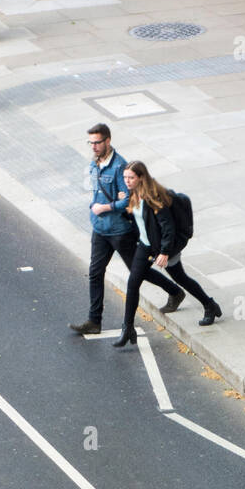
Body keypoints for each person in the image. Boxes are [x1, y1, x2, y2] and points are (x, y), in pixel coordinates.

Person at [69, 126, 182, 337]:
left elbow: (128, 199)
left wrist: (106, 207)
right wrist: (94, 209)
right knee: (95, 272)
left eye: (97, 142)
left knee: (139, 271)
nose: (94, 146)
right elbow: (95, 193)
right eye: (91, 143)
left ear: (108, 141)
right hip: (100, 229)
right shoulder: (94, 164)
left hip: (120, 230)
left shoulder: (120, 166)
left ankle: (175, 291)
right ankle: (94, 321)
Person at [113, 161, 221, 348]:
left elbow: (168, 227)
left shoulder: (154, 197)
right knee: (133, 283)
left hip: (162, 246)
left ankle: (209, 305)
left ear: (141, 178)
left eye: (131, 178)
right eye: (125, 178)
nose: (127, 181)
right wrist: (124, 206)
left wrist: (164, 252)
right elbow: (138, 219)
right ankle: (127, 328)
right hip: (145, 245)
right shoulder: (133, 194)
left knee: (181, 277)